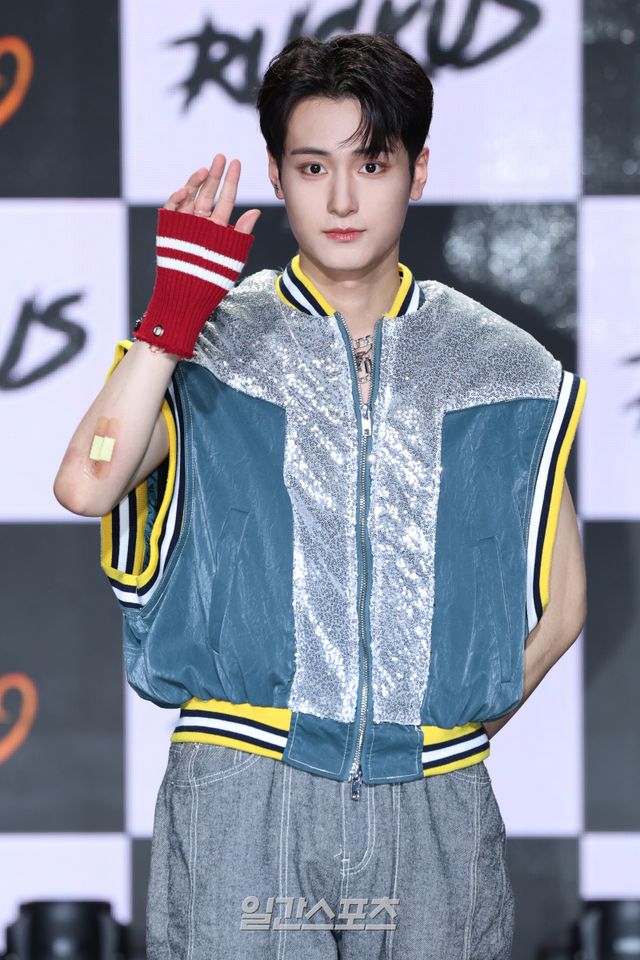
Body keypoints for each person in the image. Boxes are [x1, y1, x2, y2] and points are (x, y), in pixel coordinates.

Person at [54, 32, 587, 960]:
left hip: (433, 796)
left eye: (371, 164)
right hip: (243, 783)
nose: (342, 199)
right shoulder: (210, 346)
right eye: (312, 167)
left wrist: (444, 740)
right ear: (277, 174)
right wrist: (173, 317)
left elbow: (566, 600)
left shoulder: (503, 365)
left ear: (418, 171)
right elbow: (85, 482)